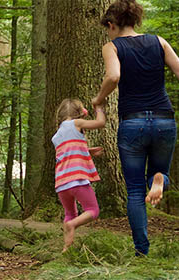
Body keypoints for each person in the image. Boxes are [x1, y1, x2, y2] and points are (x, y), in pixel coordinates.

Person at [92, 0, 179, 256]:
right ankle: (158, 179)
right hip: (164, 119)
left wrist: (99, 99)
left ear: (112, 24)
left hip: (132, 123)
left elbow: (113, 77)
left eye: (108, 28)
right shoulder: (159, 42)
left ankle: (141, 251)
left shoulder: (112, 47)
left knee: (134, 190)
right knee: (160, 173)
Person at [52, 98, 105, 252]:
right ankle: (73, 225)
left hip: (61, 183)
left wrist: (87, 151)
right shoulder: (77, 123)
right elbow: (100, 123)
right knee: (93, 210)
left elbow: (67, 153)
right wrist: (99, 108)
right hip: (77, 179)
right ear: (79, 113)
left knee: (70, 213)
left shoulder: (56, 135)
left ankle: (66, 248)